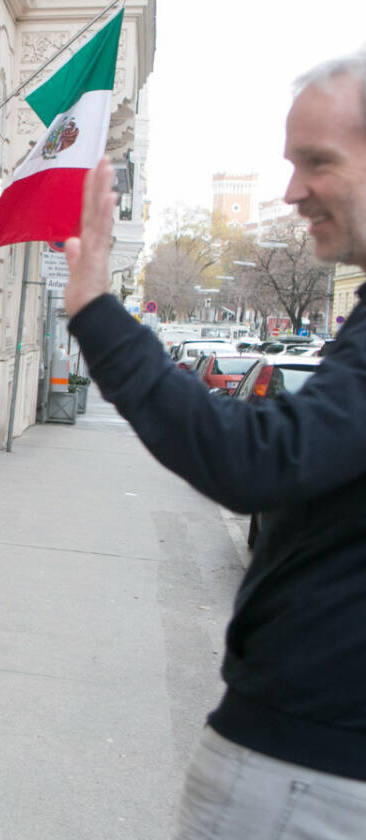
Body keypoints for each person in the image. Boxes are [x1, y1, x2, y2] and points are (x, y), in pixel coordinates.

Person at [62, 49, 366, 838]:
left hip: (312, 769)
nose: (294, 191)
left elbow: (260, 459)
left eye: (317, 163)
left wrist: (97, 310)